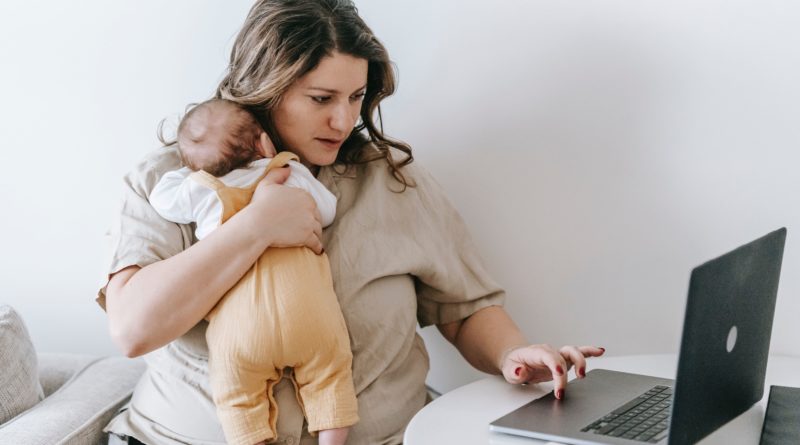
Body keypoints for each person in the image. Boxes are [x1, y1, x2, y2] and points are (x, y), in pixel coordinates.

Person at [98, 1, 605, 444]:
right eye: (321, 99)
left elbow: (463, 308)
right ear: (264, 89)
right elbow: (133, 329)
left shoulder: (392, 182)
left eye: (356, 97)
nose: (344, 121)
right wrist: (254, 228)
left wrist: (514, 354)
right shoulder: (172, 183)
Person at [148, 98, 357, 445]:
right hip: (307, 313)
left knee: (237, 397)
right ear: (263, 142)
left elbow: (162, 198)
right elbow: (327, 210)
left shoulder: (202, 190)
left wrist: (192, 169)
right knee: (331, 376)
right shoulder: (289, 172)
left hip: (241, 329)